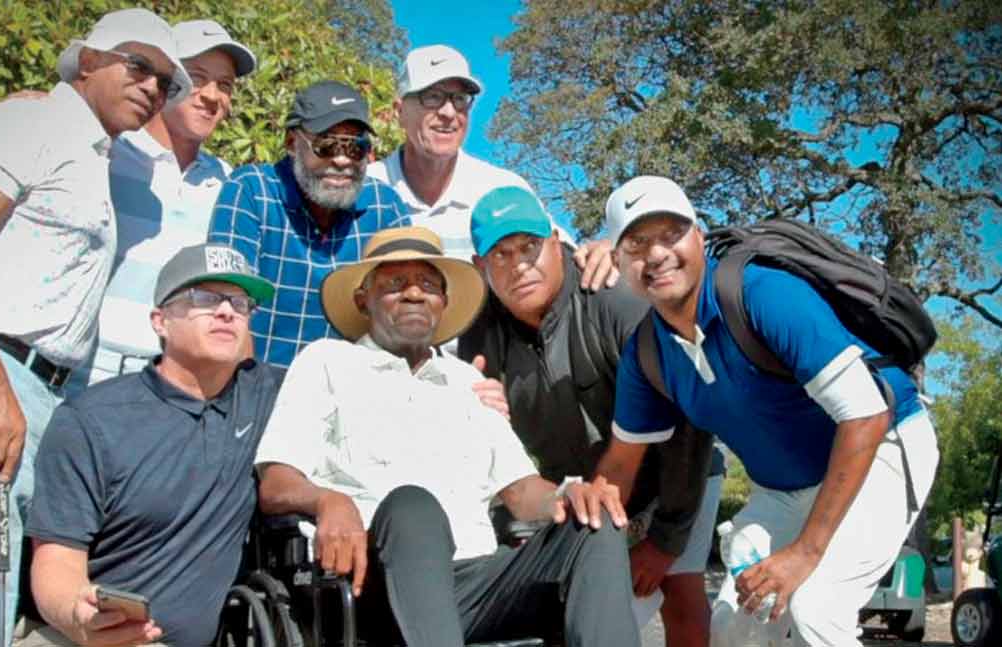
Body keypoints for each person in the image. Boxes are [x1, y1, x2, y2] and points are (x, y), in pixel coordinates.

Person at [0, 9, 190, 646]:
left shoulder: (93, 153)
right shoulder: (32, 122)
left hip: (27, 389)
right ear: (87, 62)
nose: (152, 87)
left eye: (164, 81)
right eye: (138, 66)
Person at [255, 226, 642, 647]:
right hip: (373, 580)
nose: (415, 294)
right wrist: (328, 500)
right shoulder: (327, 363)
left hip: (477, 580)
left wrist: (568, 495)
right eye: (395, 284)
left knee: (595, 519)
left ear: (444, 302)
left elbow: (519, 489)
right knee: (413, 506)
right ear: (362, 299)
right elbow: (276, 483)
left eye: (427, 284)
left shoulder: (467, 383)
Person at [600, 176, 940, 647]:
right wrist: (583, 538)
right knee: (734, 628)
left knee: (817, 608)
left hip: (882, 447)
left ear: (699, 235)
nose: (656, 254)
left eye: (671, 233)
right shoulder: (647, 354)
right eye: (636, 243)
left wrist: (805, 552)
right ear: (616, 260)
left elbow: (865, 415)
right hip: (783, 490)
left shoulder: (761, 294)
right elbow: (618, 466)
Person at [458, 186, 723, 647]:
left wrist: (666, 539)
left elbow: (689, 421)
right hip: (588, 495)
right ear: (481, 268)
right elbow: (494, 457)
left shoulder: (611, 297)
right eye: (500, 255)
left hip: (678, 473)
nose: (519, 264)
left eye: (529, 246)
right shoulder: (477, 334)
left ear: (556, 240)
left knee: (679, 591)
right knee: (582, 611)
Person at [19, 244, 282, 647]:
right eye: (205, 299)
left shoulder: (269, 397)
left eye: (240, 303)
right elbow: (55, 559)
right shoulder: (93, 420)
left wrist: (332, 503)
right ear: (160, 321)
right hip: (75, 638)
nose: (226, 311)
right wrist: (80, 614)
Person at [84, 19, 258, 386]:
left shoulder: (228, 185)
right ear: (167, 80)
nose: (212, 95)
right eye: (196, 77)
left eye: (225, 85)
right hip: (81, 376)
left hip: (166, 389)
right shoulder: (108, 154)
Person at [369, 44, 616, 289]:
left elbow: (564, 260)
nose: (448, 112)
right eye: (432, 97)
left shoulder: (502, 188)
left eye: (460, 99)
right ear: (400, 112)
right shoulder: (366, 191)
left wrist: (602, 255)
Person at [208, 80, 410, 367]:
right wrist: (251, 397)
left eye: (356, 147)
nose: (342, 160)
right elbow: (228, 302)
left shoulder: (386, 206)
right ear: (292, 143)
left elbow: (402, 315)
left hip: (352, 391)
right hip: (255, 382)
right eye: (326, 145)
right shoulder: (251, 190)